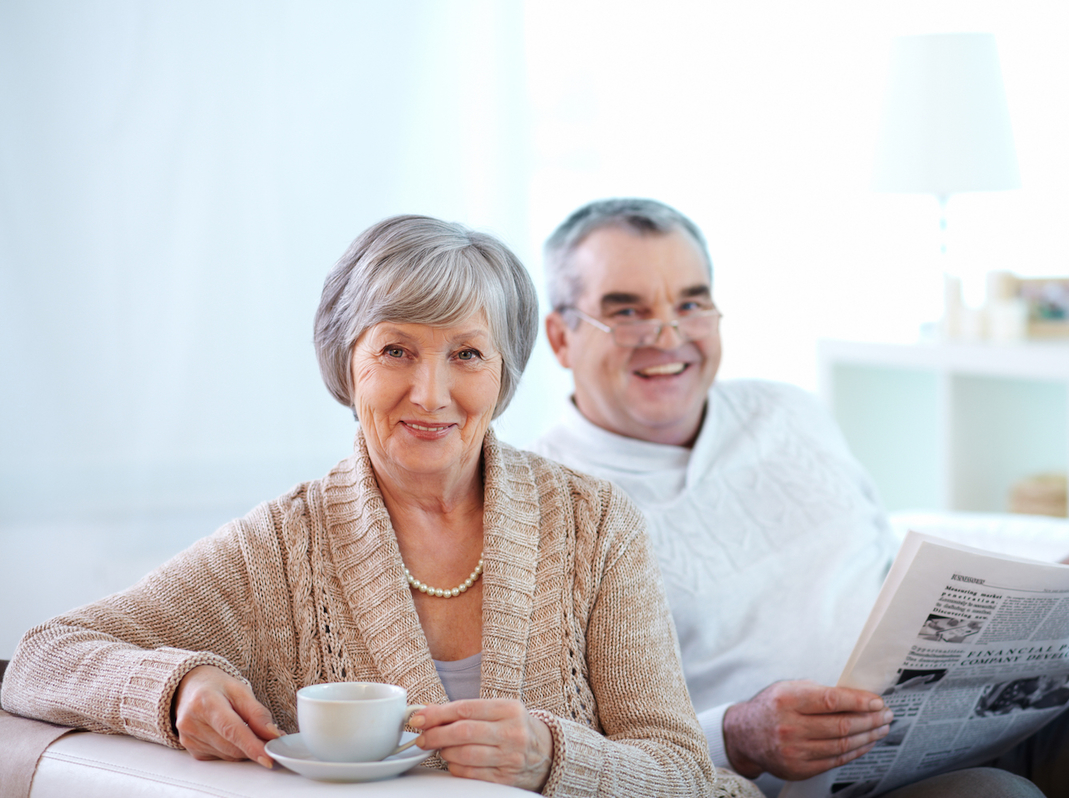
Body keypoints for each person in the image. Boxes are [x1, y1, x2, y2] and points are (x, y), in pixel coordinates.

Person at [0, 214, 759, 797]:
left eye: (466, 354)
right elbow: (38, 659)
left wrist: (550, 757)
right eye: (395, 351)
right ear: (347, 363)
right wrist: (174, 691)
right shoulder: (277, 546)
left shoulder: (592, 522)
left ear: (504, 372)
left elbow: (680, 771)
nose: (431, 394)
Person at [530, 197, 1069, 798]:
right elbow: (566, 742)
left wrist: (1059, 580)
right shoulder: (547, 503)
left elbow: (890, 571)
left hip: (980, 716)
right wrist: (736, 734)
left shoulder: (787, 411)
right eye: (627, 311)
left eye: (691, 303)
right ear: (561, 336)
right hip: (815, 784)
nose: (670, 336)